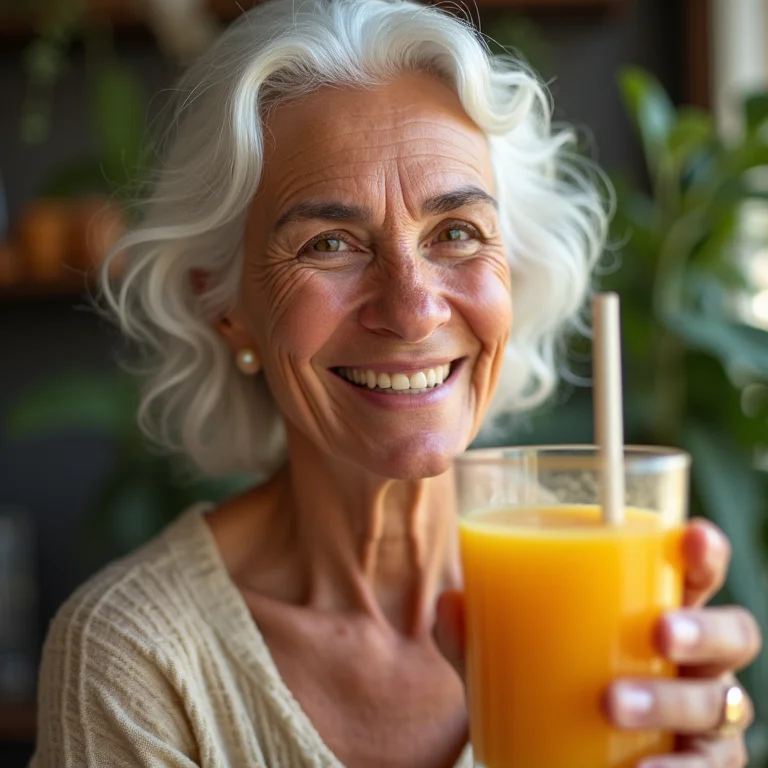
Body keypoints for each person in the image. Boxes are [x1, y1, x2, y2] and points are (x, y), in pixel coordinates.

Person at [31, 1, 762, 766]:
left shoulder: (612, 588)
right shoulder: (137, 658)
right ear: (225, 308)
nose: (413, 311)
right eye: (330, 244)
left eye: (456, 233)